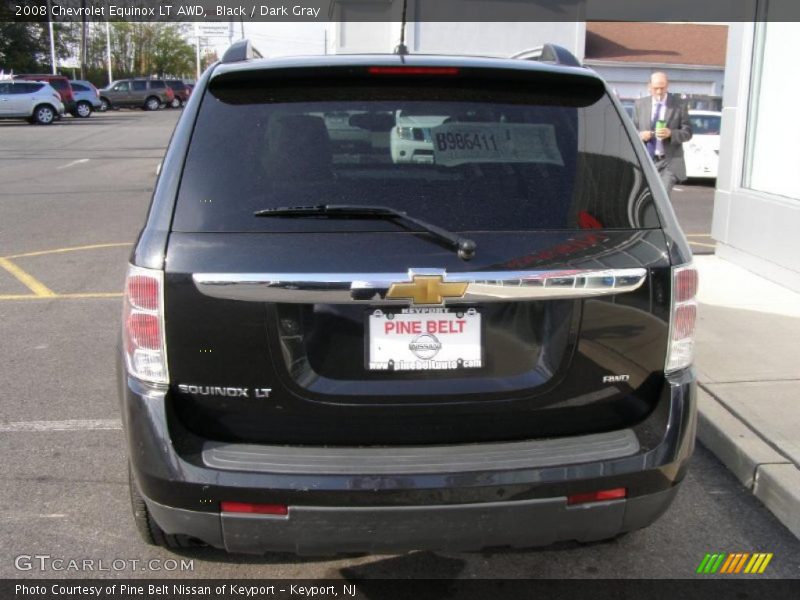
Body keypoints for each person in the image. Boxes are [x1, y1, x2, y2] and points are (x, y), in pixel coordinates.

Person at [633, 72, 693, 198]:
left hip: (668, 161)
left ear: (667, 86)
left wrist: (671, 133)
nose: (659, 92)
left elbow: (688, 132)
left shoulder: (679, 105)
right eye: (656, 88)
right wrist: (640, 135)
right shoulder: (640, 105)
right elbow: (632, 130)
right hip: (647, 160)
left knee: (662, 198)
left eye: (663, 87)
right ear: (649, 87)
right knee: (646, 198)